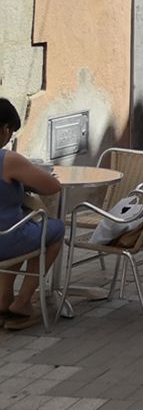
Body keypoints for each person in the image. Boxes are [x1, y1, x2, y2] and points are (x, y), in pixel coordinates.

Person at [0, 99, 65, 330]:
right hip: (6, 239)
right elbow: (52, 187)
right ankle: (23, 301)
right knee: (54, 230)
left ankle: (4, 299)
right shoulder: (8, 160)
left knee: (24, 232)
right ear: (5, 129)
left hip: (8, 236)